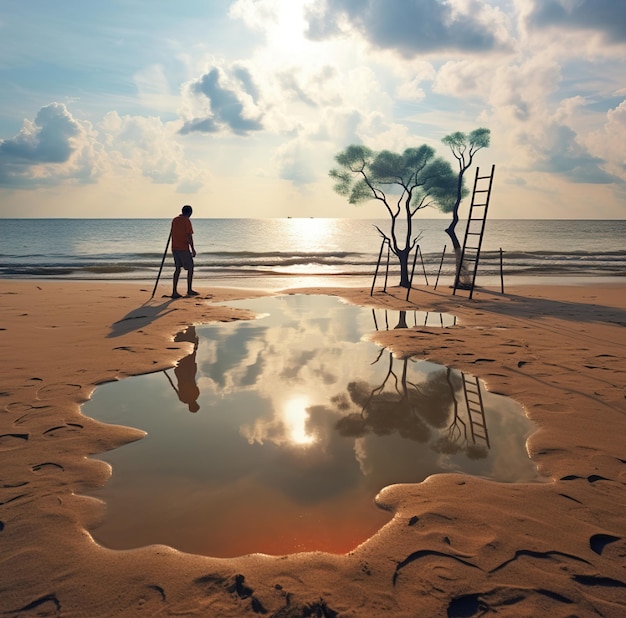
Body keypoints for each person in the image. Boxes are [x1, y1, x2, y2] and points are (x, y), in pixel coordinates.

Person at [171, 204, 198, 298]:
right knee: (190, 268)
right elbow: (189, 235)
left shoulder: (175, 220)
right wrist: (193, 249)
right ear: (189, 213)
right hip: (183, 248)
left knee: (178, 269)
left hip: (174, 248)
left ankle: (174, 291)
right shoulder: (187, 221)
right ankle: (189, 289)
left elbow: (172, 233)